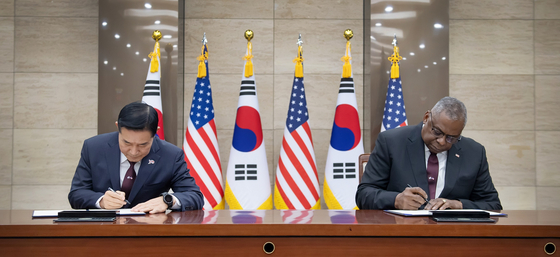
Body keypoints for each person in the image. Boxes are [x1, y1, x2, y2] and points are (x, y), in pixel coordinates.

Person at [356, 97, 501, 210]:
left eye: (452, 138)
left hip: (454, 238)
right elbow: (364, 194)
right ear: (426, 118)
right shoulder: (391, 142)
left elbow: (493, 204)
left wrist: (459, 205)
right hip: (401, 234)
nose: (442, 142)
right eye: (437, 132)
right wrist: (396, 200)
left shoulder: (474, 152)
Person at [68, 102, 203, 213]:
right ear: (118, 127)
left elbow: (195, 196)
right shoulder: (93, 147)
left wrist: (167, 200)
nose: (133, 152)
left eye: (143, 144)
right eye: (126, 143)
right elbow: (77, 194)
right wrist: (101, 201)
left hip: (148, 233)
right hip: (101, 232)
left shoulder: (171, 155)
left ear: (155, 132)